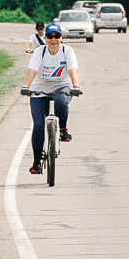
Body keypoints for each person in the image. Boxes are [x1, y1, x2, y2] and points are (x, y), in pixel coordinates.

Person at [23, 22, 80, 174]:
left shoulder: (67, 51)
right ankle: (36, 162)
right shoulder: (39, 52)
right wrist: (25, 87)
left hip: (62, 86)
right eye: (50, 36)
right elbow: (32, 71)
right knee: (39, 125)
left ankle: (63, 128)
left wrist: (76, 86)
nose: (53, 40)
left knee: (61, 100)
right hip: (39, 89)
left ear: (61, 38)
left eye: (57, 36)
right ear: (46, 37)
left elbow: (73, 70)